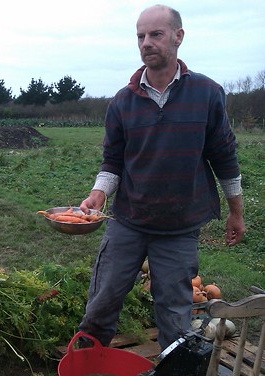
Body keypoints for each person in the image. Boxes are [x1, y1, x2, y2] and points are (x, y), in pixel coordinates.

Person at [77, 4, 245, 351]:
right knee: (102, 301)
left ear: (178, 37)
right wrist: (98, 194)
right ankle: (88, 362)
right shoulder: (122, 102)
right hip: (128, 220)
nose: (146, 42)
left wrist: (236, 210)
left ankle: (173, 366)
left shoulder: (207, 94)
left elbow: (224, 156)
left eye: (156, 34)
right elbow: (112, 162)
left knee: (174, 315)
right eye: (141, 36)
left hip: (179, 226)